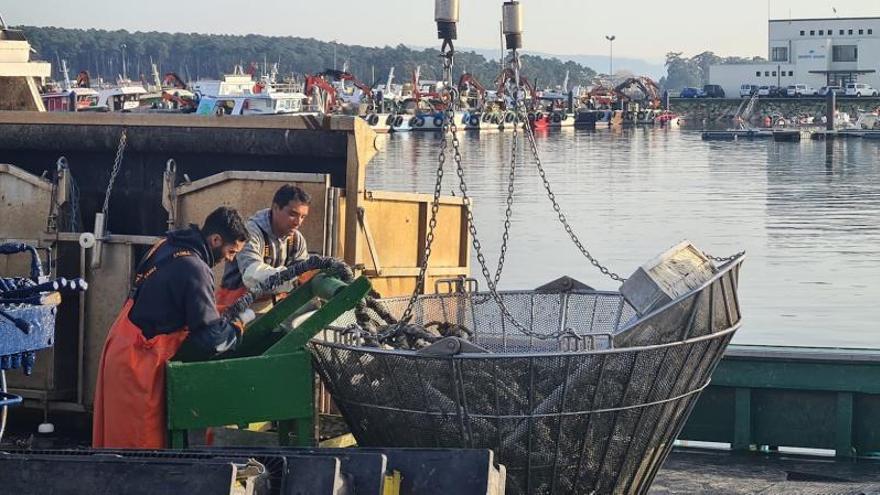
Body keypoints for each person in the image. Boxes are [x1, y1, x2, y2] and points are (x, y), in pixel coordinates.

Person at [92, 206, 252, 449]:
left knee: (117, 446)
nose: (230, 259)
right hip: (141, 363)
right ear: (215, 239)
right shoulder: (195, 268)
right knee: (141, 449)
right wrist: (235, 332)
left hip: (120, 347)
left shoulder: (166, 244)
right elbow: (210, 338)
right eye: (231, 251)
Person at [216, 184, 311, 314]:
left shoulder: (297, 239)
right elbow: (252, 276)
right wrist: (294, 278)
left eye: (303, 217)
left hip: (269, 312)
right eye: (293, 214)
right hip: (234, 311)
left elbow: (303, 278)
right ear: (276, 207)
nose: (298, 222)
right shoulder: (250, 232)